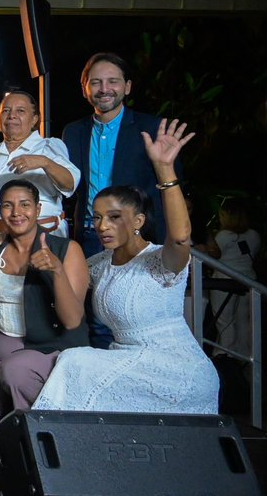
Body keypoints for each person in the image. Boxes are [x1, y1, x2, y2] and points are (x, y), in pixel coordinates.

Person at [34, 120, 220, 415]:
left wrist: (165, 171)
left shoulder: (161, 261)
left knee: (75, 362)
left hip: (175, 369)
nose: (102, 226)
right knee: (74, 360)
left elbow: (182, 237)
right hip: (127, 360)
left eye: (114, 217)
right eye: (96, 218)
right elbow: (66, 296)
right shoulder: (98, 264)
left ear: (138, 221)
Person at [0, 180, 89, 448]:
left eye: (25, 204)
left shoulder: (66, 249)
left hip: (48, 349)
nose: (16, 212)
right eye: (8, 206)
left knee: (16, 371)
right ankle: (14, 417)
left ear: (37, 208)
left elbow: (72, 320)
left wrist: (56, 272)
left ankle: (37, 433)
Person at [63, 53, 167, 255]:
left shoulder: (151, 128)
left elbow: (168, 187)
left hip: (137, 236)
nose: (104, 89)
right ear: (85, 90)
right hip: (90, 235)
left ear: (127, 87)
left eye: (113, 81)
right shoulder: (73, 132)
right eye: (95, 82)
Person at [0, 91, 78, 244]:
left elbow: (70, 184)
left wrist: (44, 162)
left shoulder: (48, 147)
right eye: (6, 111)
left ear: (34, 120)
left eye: (20, 111)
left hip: (42, 238)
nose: (12, 115)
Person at [208, 197, 260, 359]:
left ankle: (225, 353)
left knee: (225, 321)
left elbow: (213, 254)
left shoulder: (223, 236)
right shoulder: (254, 235)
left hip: (224, 280)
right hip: (249, 280)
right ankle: (245, 356)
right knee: (244, 320)